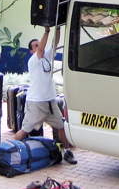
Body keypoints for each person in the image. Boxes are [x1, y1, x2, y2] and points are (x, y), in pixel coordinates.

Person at [15, 26, 77, 164]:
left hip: (50, 102)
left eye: (39, 44)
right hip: (35, 103)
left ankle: (67, 152)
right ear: (32, 51)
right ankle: (10, 150)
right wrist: (47, 31)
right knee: (25, 130)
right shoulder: (33, 61)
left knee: (61, 126)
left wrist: (58, 29)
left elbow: (55, 43)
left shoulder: (47, 57)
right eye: (35, 46)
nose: (39, 47)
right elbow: (42, 49)